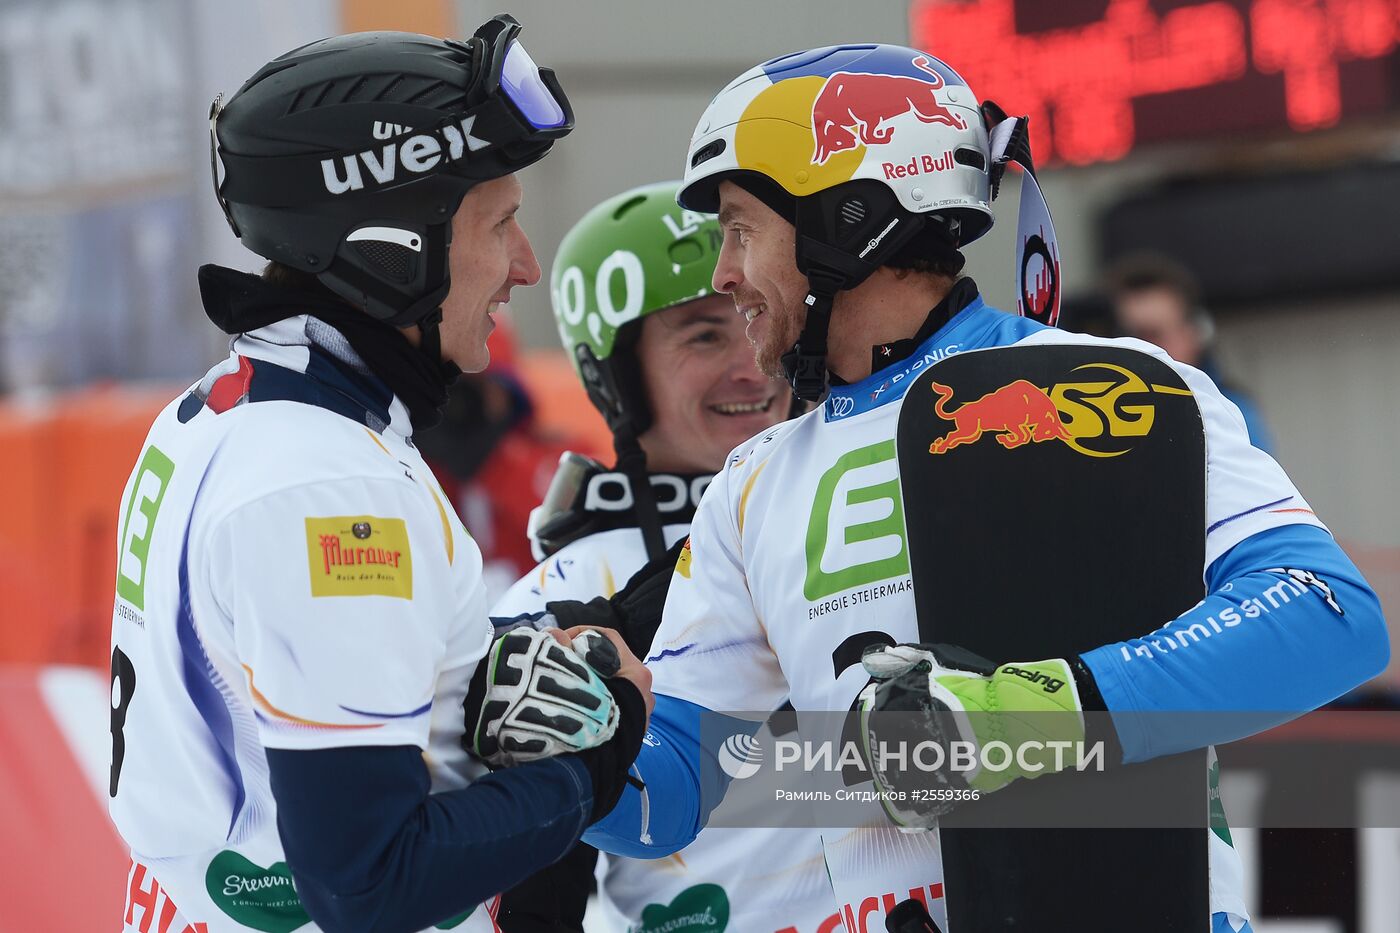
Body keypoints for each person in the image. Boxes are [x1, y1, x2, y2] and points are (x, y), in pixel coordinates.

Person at [566, 43, 1389, 933]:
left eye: (739, 227)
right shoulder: (751, 484)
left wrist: (1027, 716)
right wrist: (573, 741)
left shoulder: (1106, 386)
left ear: (847, 218)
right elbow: (668, 798)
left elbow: (1327, 613)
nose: (725, 276)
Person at [108, 19, 650, 933]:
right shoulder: (328, 488)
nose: (524, 265)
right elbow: (368, 883)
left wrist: (560, 628)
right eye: (502, 223)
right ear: (394, 248)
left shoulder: (230, 410)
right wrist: (589, 766)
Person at [489, 181, 841, 933]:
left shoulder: (864, 515)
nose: (752, 364)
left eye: (755, 318)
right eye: (704, 335)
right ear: (616, 376)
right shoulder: (557, 597)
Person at [1107, 253, 1276, 452]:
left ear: (1196, 333)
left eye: (1153, 335)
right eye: (1129, 336)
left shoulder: (1232, 413)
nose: (1142, 349)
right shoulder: (1099, 414)